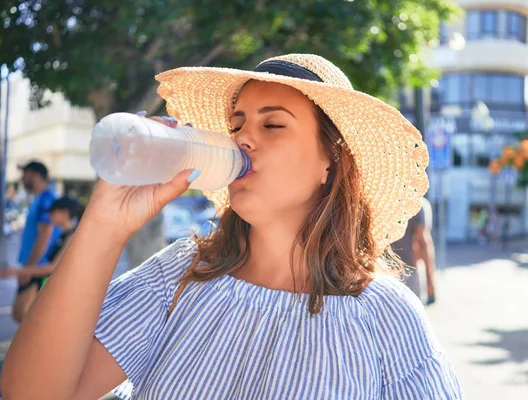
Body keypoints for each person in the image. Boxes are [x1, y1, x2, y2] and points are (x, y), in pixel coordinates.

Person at [2, 54, 463, 399]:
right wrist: (103, 225)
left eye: (274, 125)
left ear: (331, 161)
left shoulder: (385, 315)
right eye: (237, 123)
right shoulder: (181, 274)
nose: (242, 137)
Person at [10, 161, 60, 322]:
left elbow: (45, 234)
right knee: (27, 315)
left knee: (24, 314)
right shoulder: (40, 199)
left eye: (25, 173)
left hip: (39, 267)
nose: (22, 177)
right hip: (35, 266)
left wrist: (29, 268)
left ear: (36, 175)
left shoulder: (47, 199)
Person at [2, 196, 79, 293]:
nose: (49, 216)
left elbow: (52, 268)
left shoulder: (72, 236)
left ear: (65, 213)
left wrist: (14, 271)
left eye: (52, 212)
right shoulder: (63, 234)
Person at [391, 197, 437, 305]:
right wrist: (430, 279)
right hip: (408, 270)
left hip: (385, 271)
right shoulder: (419, 204)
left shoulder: (385, 202)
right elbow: (424, 243)